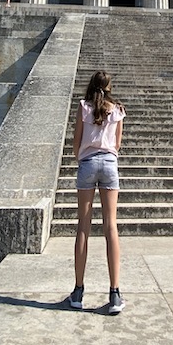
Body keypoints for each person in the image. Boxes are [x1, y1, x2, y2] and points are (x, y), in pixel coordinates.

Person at [70, 71, 126, 314]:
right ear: (109, 86)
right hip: (110, 165)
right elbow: (117, 144)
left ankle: (78, 291)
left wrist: (81, 158)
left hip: (88, 164)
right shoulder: (118, 110)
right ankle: (114, 293)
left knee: (83, 225)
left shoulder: (83, 106)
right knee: (110, 226)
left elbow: (76, 141)